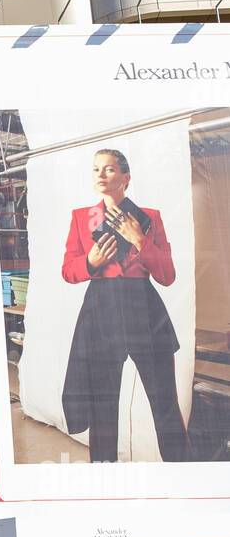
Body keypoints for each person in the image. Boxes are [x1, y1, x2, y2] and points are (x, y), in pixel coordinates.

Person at [61, 148, 189, 464]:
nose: (101, 175)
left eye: (109, 169)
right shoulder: (81, 218)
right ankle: (105, 484)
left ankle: (182, 478)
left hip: (145, 310)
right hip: (100, 313)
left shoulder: (150, 218)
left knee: (165, 406)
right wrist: (90, 262)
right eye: (96, 170)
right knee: (102, 411)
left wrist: (140, 240)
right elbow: (68, 270)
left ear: (126, 177)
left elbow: (168, 275)